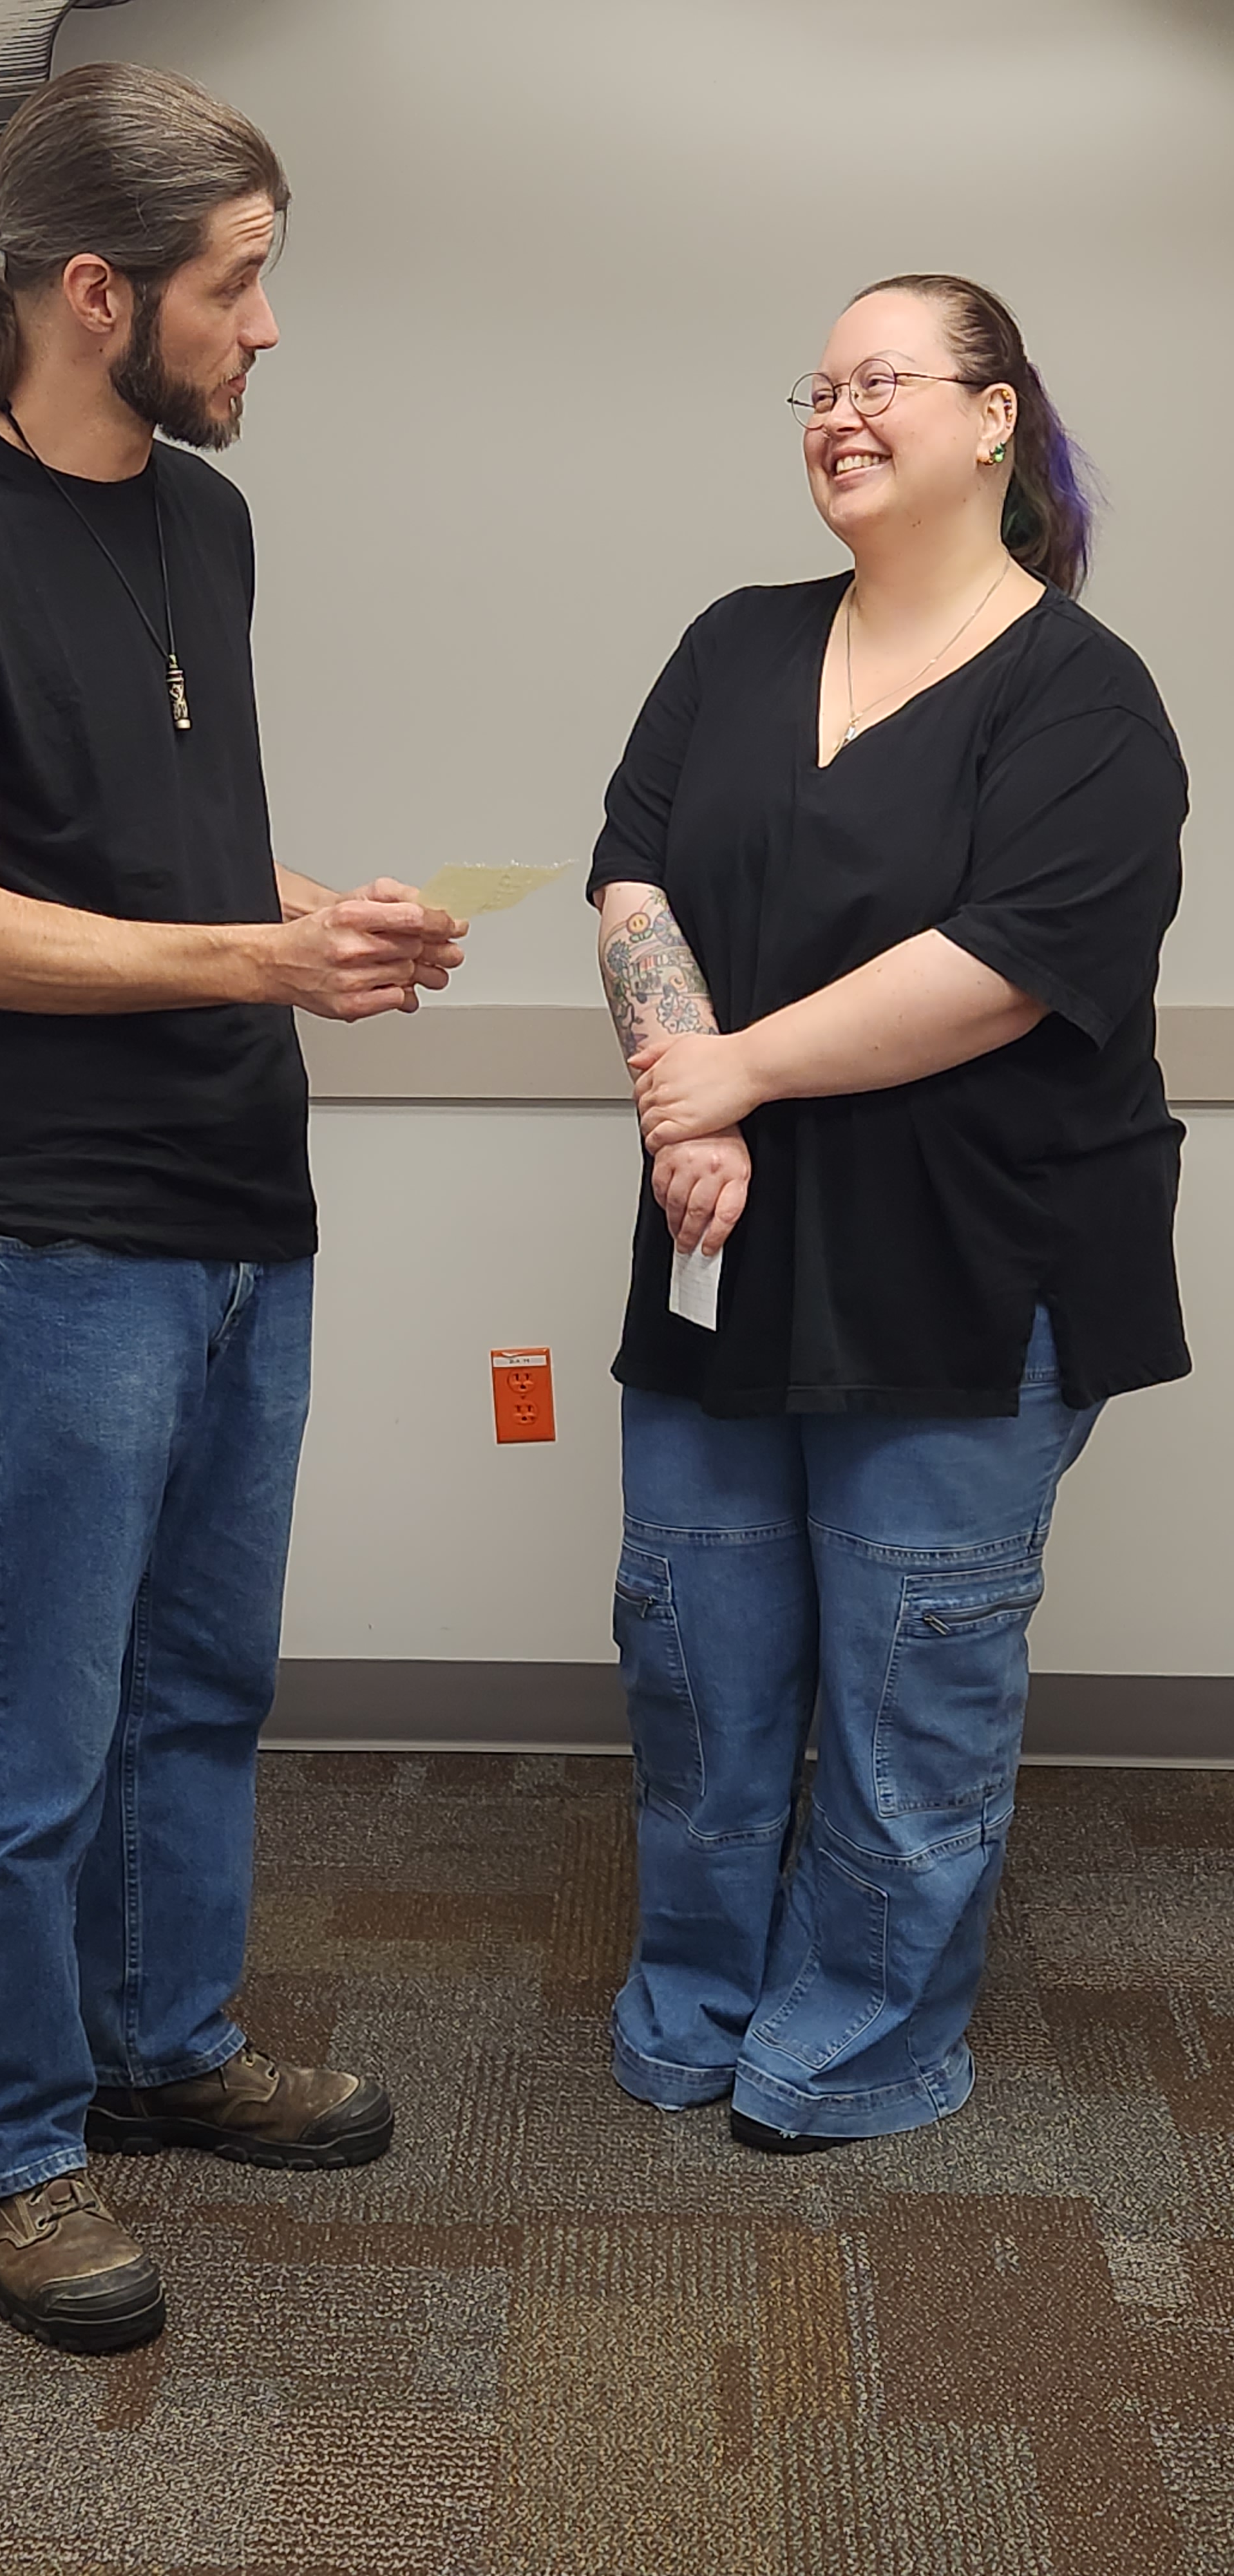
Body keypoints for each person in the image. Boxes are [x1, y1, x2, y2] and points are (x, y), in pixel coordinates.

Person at [0, 61, 466, 2352]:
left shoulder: (209, 526)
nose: (267, 326)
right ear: (98, 294)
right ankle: (15, 2150)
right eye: (240, 280)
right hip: (60, 1238)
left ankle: (163, 2050)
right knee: (38, 1731)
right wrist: (257, 956)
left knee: (204, 1686)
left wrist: (326, 920)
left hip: (243, 1212)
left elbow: (166, 855)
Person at [589, 274, 1188, 2155]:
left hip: (972, 1269)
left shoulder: (1082, 694)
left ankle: (856, 2039)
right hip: (722, 1246)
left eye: (884, 381)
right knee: (699, 1666)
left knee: (913, 1697)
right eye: (819, 387)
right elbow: (629, 885)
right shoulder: (738, 642)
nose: (838, 414)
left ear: (995, 416)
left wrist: (740, 1075)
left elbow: (1004, 967)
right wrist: (685, 1103)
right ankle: (695, 1999)